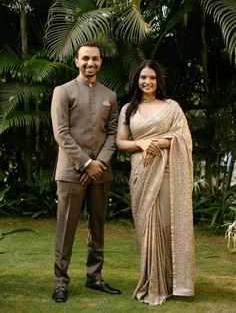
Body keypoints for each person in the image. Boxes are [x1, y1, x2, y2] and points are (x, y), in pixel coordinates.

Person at [116, 60, 195, 306]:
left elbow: (183, 137)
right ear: (137, 81)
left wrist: (158, 143)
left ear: (158, 80)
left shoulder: (172, 107)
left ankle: (171, 282)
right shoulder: (128, 109)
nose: (147, 82)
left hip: (167, 170)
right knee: (146, 226)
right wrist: (141, 143)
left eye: (151, 77)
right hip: (142, 170)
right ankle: (152, 280)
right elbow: (120, 142)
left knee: (166, 222)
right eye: (142, 78)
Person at [51, 41, 121, 303]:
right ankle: (60, 282)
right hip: (71, 172)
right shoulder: (63, 91)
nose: (90, 63)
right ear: (76, 61)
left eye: (95, 59)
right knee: (66, 226)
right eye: (85, 59)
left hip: (101, 173)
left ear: (101, 61)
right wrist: (85, 163)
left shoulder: (110, 96)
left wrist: (98, 163)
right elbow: (61, 133)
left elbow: (113, 134)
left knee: (97, 226)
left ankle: (95, 277)